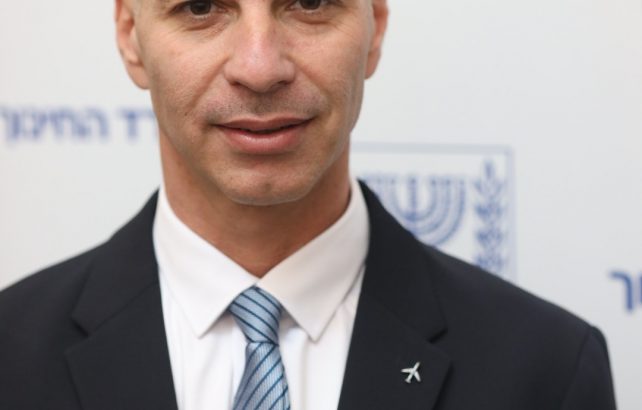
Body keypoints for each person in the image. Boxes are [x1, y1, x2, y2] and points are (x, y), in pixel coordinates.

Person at [0, 0, 617, 409]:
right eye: (201, 7)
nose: (260, 67)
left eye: (311, 2)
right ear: (131, 37)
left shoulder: (548, 371)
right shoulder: (11, 355)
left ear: (375, 28)